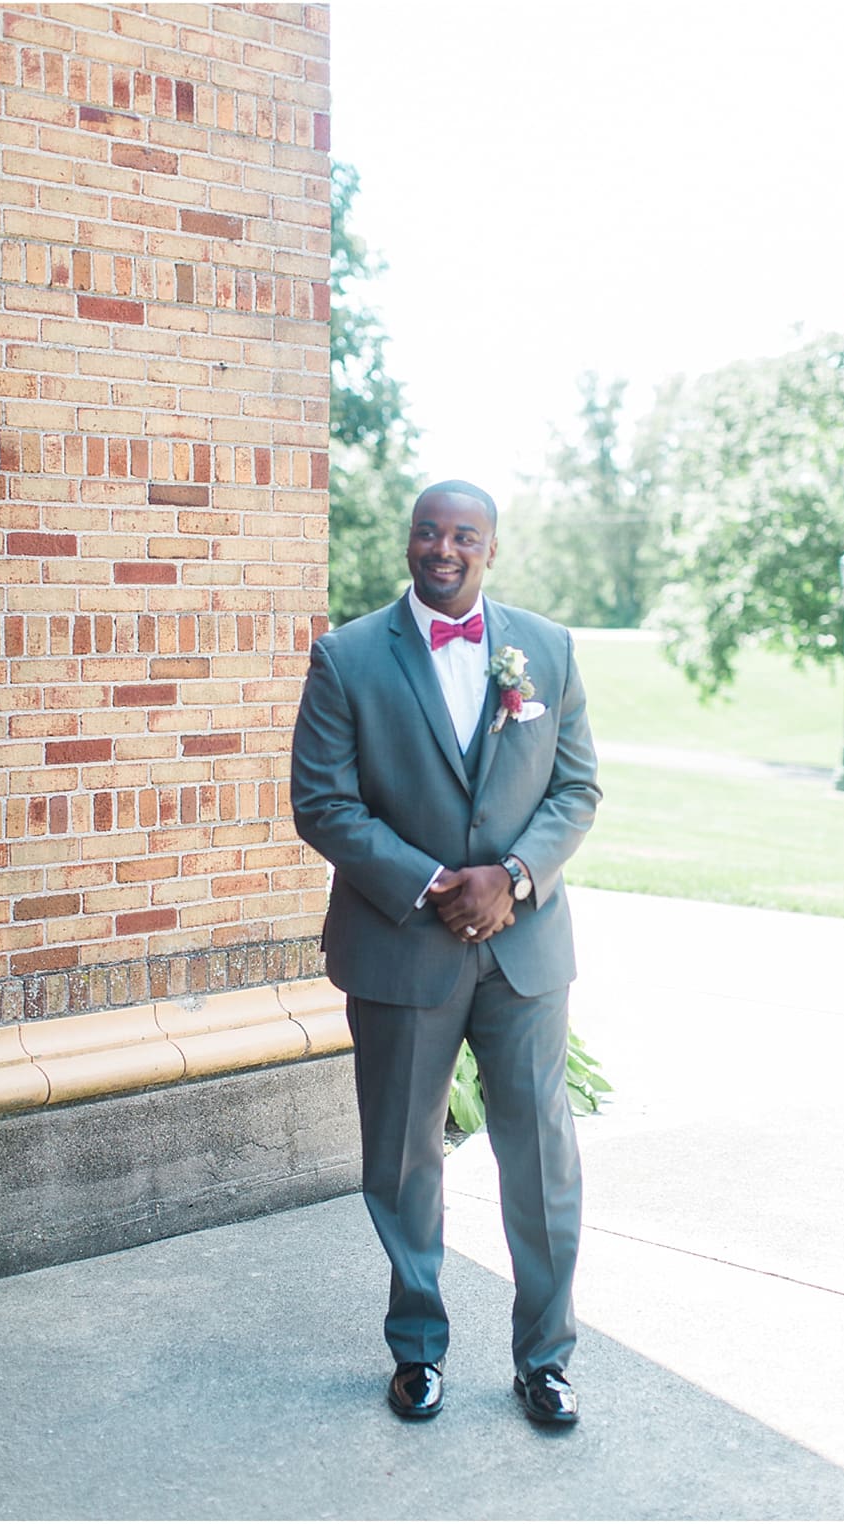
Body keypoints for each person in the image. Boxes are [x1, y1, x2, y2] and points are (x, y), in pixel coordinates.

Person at [290, 480, 601, 1426]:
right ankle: (417, 1348)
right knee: (400, 1160)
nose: (444, 548)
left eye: (464, 534)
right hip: (401, 951)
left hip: (524, 952)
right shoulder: (346, 658)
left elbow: (577, 790)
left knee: (541, 1161)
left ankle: (545, 1360)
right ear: (409, 541)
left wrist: (509, 877)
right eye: (428, 531)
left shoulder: (546, 650)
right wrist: (437, 883)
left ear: (491, 548)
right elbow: (324, 804)